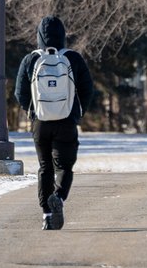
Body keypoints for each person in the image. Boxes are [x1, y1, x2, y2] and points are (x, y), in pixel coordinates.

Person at [14, 15, 95, 230]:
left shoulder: (30, 60)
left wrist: (32, 112)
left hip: (41, 122)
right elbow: (87, 89)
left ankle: (46, 214)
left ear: (39, 36)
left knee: (45, 167)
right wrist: (77, 113)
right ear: (63, 35)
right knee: (64, 166)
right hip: (66, 120)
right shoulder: (73, 58)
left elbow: (20, 93)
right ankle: (58, 196)